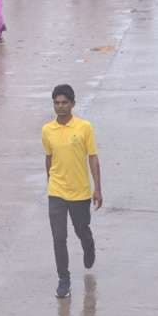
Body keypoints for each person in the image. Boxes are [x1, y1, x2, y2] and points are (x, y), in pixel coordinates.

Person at [43, 84, 103, 299]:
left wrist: (98, 188)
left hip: (80, 193)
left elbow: (93, 158)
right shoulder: (47, 130)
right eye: (57, 103)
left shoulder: (84, 127)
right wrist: (50, 183)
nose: (60, 107)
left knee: (81, 230)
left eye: (64, 103)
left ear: (73, 104)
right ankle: (64, 279)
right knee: (59, 237)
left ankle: (89, 245)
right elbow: (49, 158)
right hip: (57, 192)